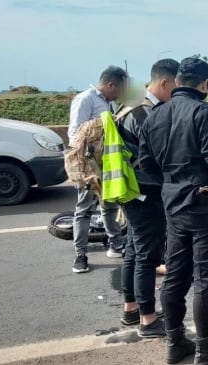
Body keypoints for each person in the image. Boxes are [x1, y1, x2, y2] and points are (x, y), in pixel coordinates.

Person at [138, 57, 208, 365]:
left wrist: (173, 185)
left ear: (178, 81)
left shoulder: (155, 115)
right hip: (205, 208)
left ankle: (175, 343)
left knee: (176, 278)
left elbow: (145, 165)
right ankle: (206, 352)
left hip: (174, 206)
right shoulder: (203, 112)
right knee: (207, 281)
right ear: (204, 85)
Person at [116, 59, 179, 338]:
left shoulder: (128, 106)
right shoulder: (144, 112)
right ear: (164, 83)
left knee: (132, 249)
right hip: (145, 191)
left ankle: (131, 309)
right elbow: (156, 157)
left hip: (129, 189)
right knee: (146, 256)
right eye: (175, 87)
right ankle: (148, 320)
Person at [68, 66, 128, 273]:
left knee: (109, 206)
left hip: (106, 163)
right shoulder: (86, 99)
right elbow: (74, 134)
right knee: (84, 210)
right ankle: (81, 255)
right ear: (111, 84)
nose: (120, 94)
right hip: (88, 165)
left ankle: (116, 245)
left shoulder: (107, 103)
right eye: (119, 89)